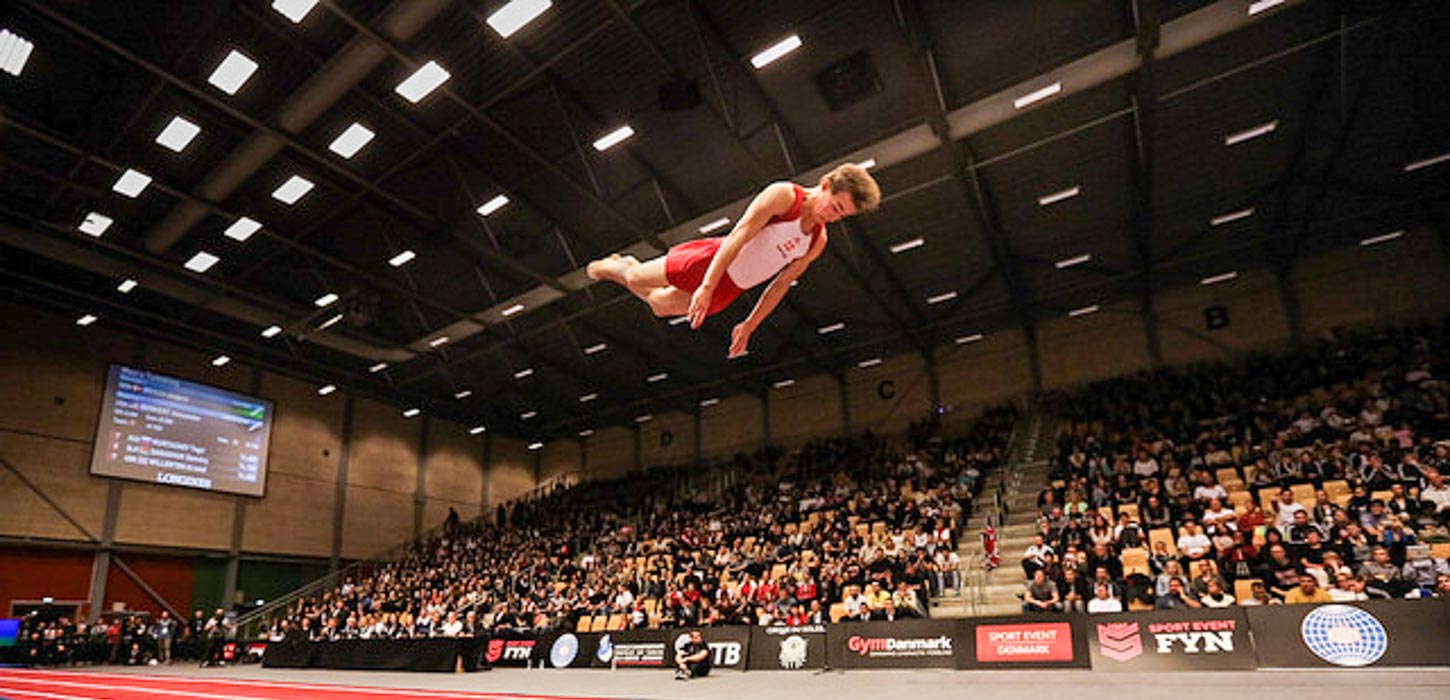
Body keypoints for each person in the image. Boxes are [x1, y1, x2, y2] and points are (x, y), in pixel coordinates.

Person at [586, 164, 880, 356]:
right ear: (826, 184)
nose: (833, 215)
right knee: (637, 279)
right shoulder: (783, 196)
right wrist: (707, 284)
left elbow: (780, 285)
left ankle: (626, 267)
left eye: (842, 214)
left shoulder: (818, 240)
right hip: (714, 261)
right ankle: (618, 266)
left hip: (731, 288)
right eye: (836, 206)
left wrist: (749, 325)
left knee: (659, 306)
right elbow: (738, 235)